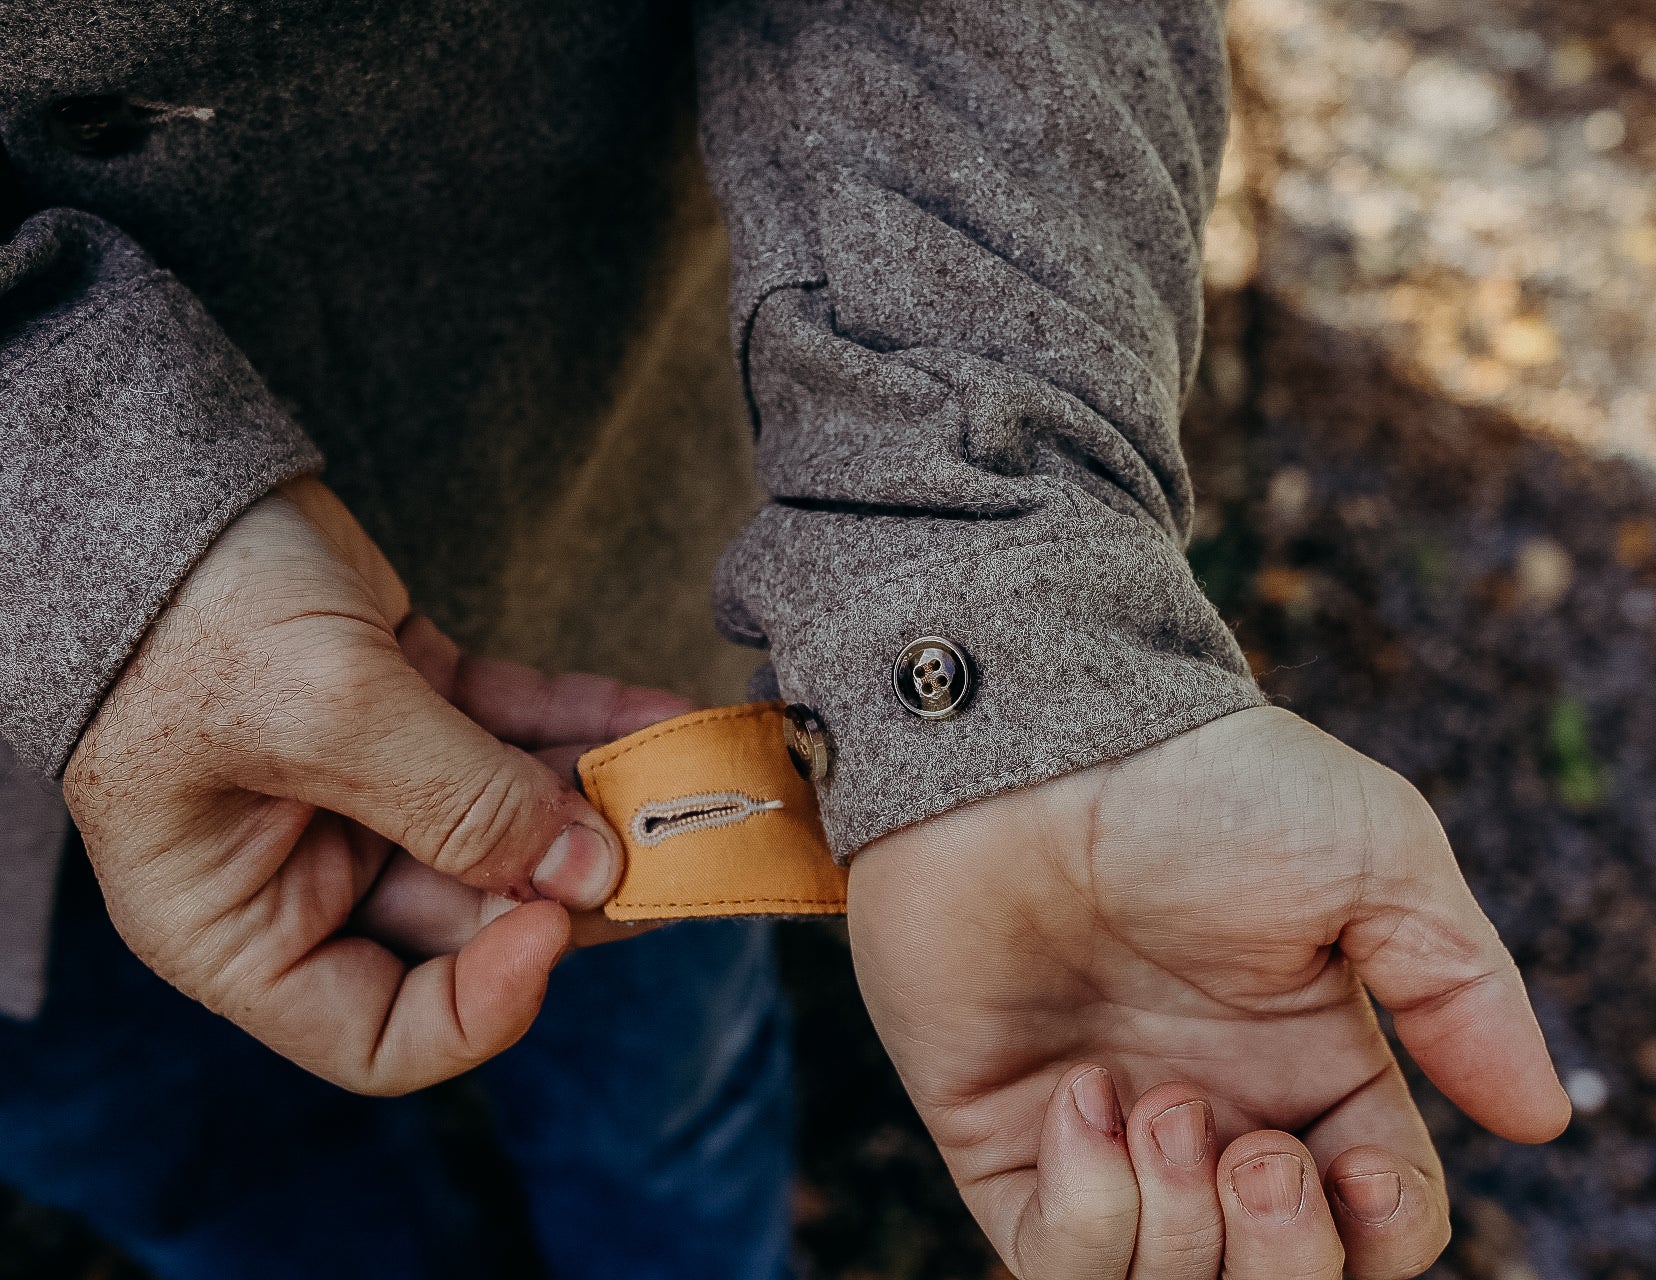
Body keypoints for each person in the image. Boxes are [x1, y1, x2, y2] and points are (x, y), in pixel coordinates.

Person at [0, 1, 1572, 1276]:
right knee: (192, 1181)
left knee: (660, 1112)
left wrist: (986, 603)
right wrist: (72, 532)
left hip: (594, 605)